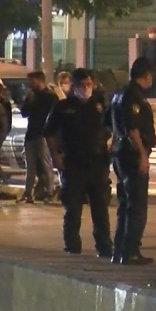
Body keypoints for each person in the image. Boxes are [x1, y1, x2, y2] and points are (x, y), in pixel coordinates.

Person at [46, 69, 113, 258]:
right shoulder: (63, 107)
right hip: (73, 163)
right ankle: (72, 245)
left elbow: (113, 128)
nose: (86, 89)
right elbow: (50, 133)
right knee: (73, 209)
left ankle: (104, 245)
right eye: (82, 86)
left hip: (97, 163)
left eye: (89, 85)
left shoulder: (99, 105)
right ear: (74, 87)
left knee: (100, 208)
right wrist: (56, 157)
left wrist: (110, 146)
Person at [109, 57, 156, 265]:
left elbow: (109, 123)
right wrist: (142, 155)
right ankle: (130, 251)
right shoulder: (133, 97)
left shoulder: (118, 94)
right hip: (132, 154)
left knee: (125, 203)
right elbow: (133, 128)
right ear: (146, 75)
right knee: (136, 205)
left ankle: (120, 249)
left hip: (121, 152)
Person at [20, 71, 57, 204]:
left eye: (32, 81)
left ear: (40, 80)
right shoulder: (32, 96)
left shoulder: (50, 96)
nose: (30, 84)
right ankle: (28, 193)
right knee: (30, 165)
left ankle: (50, 192)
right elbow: (24, 113)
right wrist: (28, 100)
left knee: (46, 164)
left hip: (43, 134)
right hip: (31, 133)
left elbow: (54, 115)